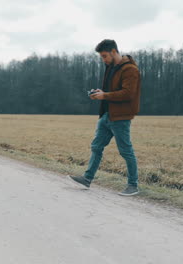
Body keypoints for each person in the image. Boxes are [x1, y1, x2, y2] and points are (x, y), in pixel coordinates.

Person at [70, 39, 141, 196]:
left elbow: (128, 93)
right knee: (96, 147)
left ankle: (133, 185)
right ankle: (87, 179)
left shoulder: (130, 70)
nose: (103, 59)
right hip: (107, 115)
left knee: (126, 151)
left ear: (114, 52)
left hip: (121, 117)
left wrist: (105, 95)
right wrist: (100, 92)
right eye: (102, 57)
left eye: (104, 56)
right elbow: (111, 90)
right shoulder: (110, 67)